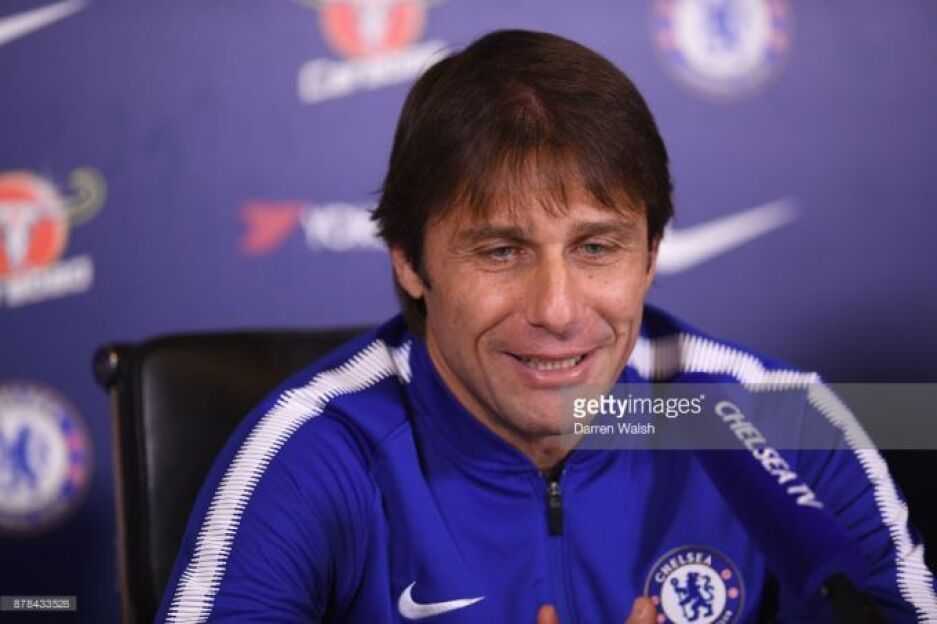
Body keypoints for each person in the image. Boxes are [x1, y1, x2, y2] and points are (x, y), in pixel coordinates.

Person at [156, 30, 935, 623]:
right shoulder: (316, 452)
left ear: (649, 257)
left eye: (596, 248)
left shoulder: (783, 425)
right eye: (500, 251)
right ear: (410, 262)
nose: (558, 310)